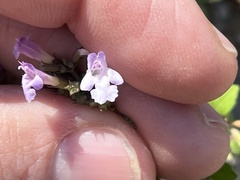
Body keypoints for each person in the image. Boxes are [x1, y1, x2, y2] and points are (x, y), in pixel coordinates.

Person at [0, 0, 238, 179]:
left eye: (97, 64)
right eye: (95, 64)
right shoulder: (82, 80)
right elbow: (82, 83)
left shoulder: (102, 75)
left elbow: (92, 79)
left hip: (88, 84)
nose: (95, 65)